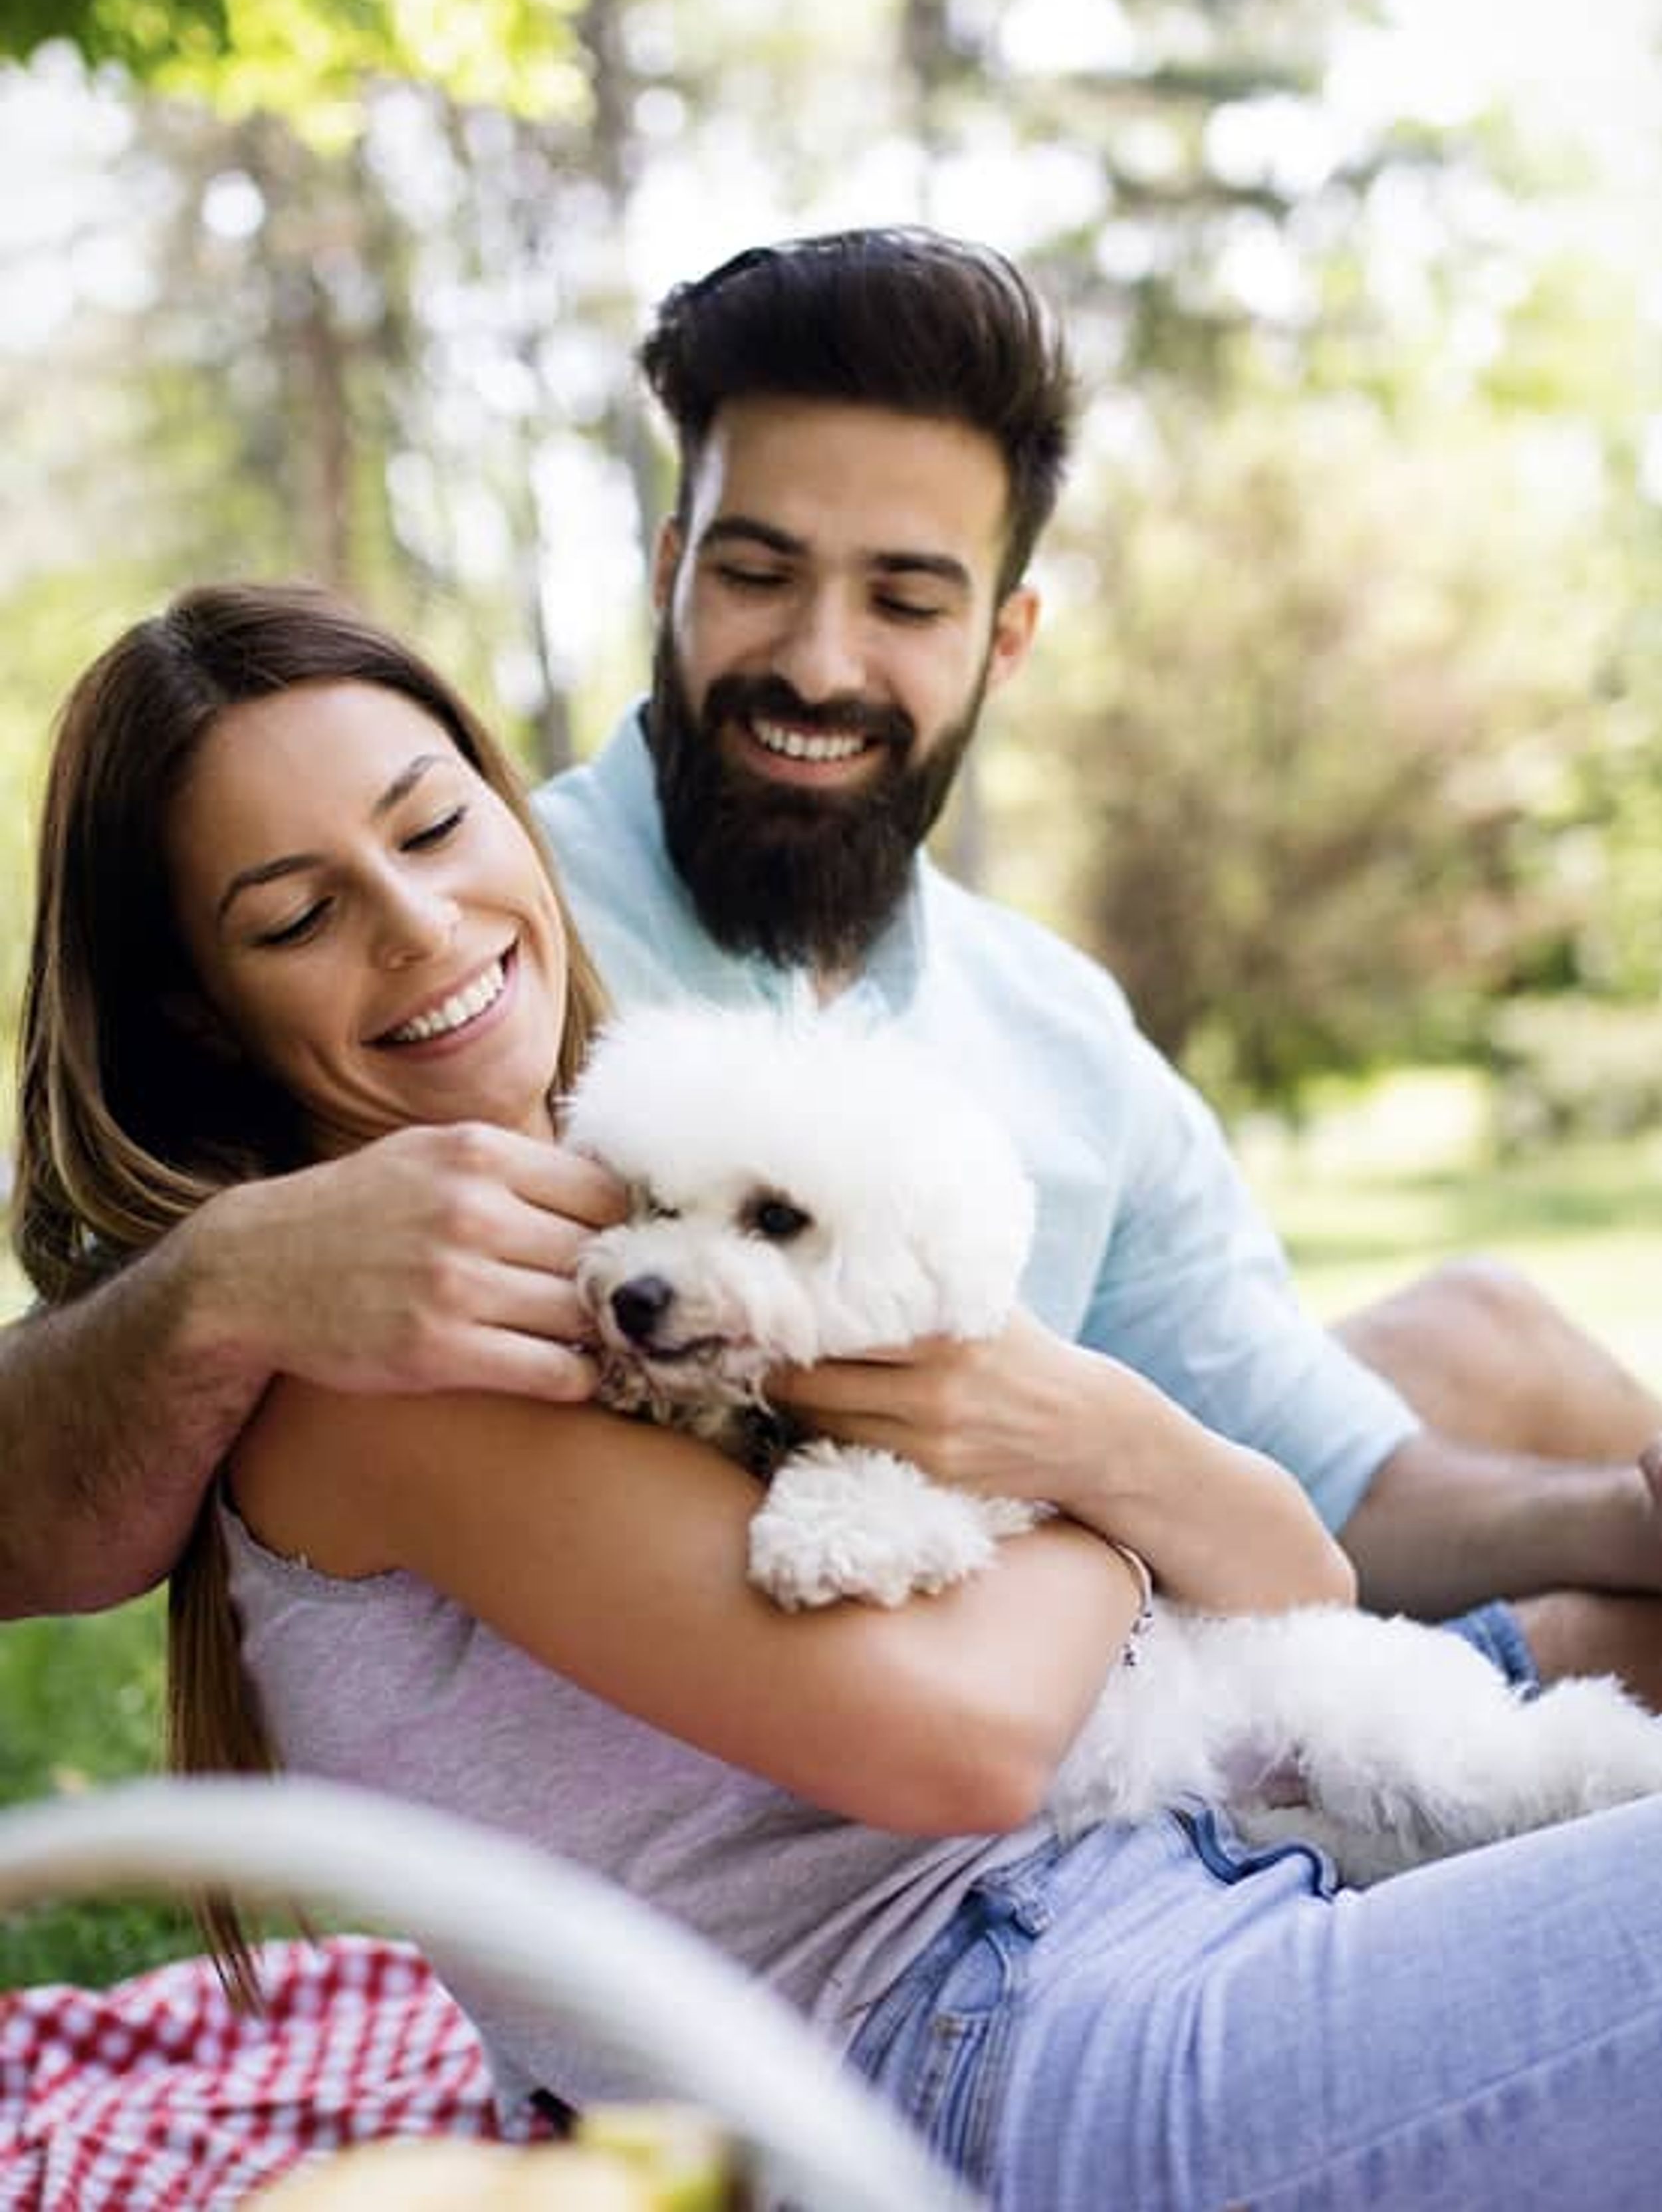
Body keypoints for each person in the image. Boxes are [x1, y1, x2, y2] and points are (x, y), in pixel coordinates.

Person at [17, 578, 1662, 2212]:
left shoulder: (631, 1210)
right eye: (296, 915)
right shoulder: (382, 1362)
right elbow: (967, 1743)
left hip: (1175, 1846)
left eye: (433, 825)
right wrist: (1076, 1468)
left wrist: (1078, 1429)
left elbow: (1299, 1574)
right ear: (199, 1011)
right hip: (1007, 2043)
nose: (419, 923)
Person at [3, 225, 1661, 1709]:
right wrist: (218, 1280)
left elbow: (1326, 1485)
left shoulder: (1052, 1025)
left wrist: (1618, 1515)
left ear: (1002, 639)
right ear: (668, 569)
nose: (816, 658)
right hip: (867, 1785)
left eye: (905, 598)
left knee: (1495, 1330)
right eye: (756, 571)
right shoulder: (475, 957)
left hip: (1111, 1670)